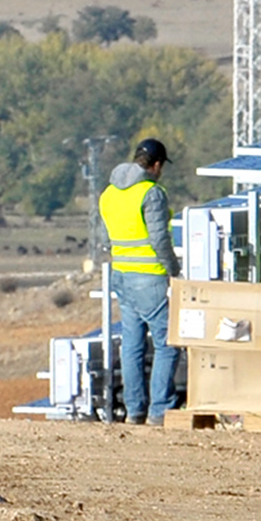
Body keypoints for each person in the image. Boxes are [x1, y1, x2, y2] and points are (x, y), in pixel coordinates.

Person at [100, 137, 181, 424]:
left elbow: (106, 237)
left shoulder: (108, 194)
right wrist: (174, 269)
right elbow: (159, 238)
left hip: (120, 275)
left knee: (132, 344)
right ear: (156, 165)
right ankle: (160, 410)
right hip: (150, 278)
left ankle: (135, 411)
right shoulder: (152, 193)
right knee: (167, 343)